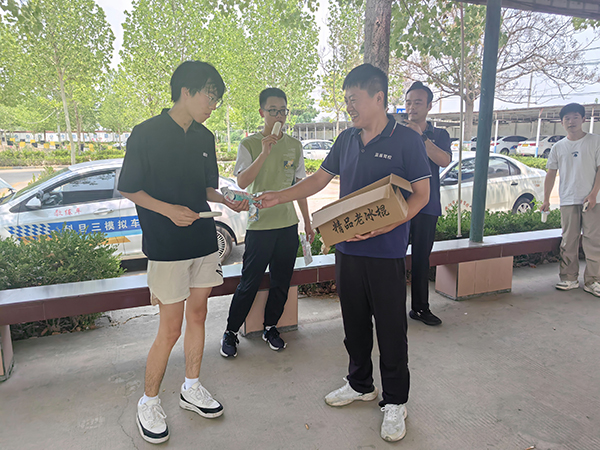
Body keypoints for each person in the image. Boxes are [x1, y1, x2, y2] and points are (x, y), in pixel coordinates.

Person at [257, 64, 431, 442]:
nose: (349, 106)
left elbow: (422, 195)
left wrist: (390, 224)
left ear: (378, 97)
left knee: (391, 328)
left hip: (386, 251)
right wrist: (279, 197)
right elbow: (318, 180)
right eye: (347, 100)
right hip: (348, 248)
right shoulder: (347, 139)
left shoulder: (406, 140)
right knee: (353, 321)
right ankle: (359, 383)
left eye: (355, 99)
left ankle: (395, 401)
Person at [118, 61, 247, 444]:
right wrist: (168, 210)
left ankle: (191, 387)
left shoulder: (205, 138)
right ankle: (149, 401)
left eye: (217, 98)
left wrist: (226, 199)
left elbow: (206, 189)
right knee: (171, 327)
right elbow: (129, 187)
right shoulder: (146, 133)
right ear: (186, 91)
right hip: (166, 246)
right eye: (210, 95)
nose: (214, 104)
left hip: (203, 242)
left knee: (199, 315)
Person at [220, 88, 314, 358]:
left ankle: (271, 327)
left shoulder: (294, 145)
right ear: (262, 112)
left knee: (281, 281)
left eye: (283, 111)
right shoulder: (249, 144)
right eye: (273, 111)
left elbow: (300, 187)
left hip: (287, 225)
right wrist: (264, 152)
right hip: (259, 226)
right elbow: (242, 182)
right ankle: (230, 331)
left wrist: (306, 223)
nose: (279, 116)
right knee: (249, 282)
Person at [403, 81, 452, 326]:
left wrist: (421, 137)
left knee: (421, 259)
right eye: (408, 102)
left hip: (427, 205)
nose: (412, 107)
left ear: (429, 106)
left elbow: (444, 160)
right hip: (399, 205)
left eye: (418, 102)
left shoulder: (440, 135)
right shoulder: (396, 132)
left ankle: (420, 308)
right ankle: (390, 307)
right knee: (393, 258)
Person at [541, 103, 600, 297]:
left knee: (593, 241)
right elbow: (551, 173)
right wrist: (546, 199)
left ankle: (593, 281)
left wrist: (593, 194)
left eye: (575, 117)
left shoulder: (595, 141)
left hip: (593, 200)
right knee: (568, 240)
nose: (571, 121)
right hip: (568, 199)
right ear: (562, 122)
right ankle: (569, 278)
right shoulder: (558, 147)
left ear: (583, 119)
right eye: (567, 118)